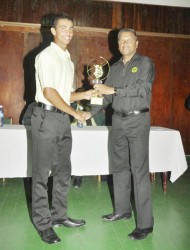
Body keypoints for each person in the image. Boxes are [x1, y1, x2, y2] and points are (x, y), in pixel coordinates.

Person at [31, 13, 94, 244]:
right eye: (63, 27)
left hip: (61, 119)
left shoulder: (67, 59)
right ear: (53, 31)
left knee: (63, 172)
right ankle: (43, 224)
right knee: (41, 175)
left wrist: (84, 95)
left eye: (71, 28)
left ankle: (59, 216)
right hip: (46, 118)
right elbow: (49, 93)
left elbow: (65, 94)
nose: (68, 31)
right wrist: (75, 113)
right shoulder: (47, 56)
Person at [88, 28, 155, 240]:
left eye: (129, 40)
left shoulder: (145, 63)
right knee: (119, 168)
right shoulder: (113, 68)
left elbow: (142, 88)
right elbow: (105, 98)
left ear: (137, 43)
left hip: (138, 120)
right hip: (117, 121)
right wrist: (86, 112)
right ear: (117, 45)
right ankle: (122, 210)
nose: (125, 43)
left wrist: (113, 90)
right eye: (121, 41)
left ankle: (145, 224)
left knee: (139, 170)